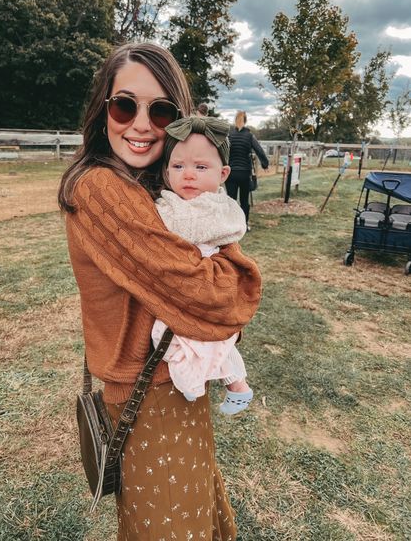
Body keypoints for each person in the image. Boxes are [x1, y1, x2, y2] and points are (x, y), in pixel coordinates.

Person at [58, 42, 261, 540]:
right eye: (125, 105)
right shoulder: (102, 189)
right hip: (149, 394)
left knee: (192, 513)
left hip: (175, 384)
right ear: (103, 110)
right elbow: (218, 297)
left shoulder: (155, 187)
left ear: (177, 120)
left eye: (160, 109)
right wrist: (236, 278)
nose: (141, 123)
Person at [152, 115, 254, 416]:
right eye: (178, 166)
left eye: (200, 167)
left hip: (205, 284)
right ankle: (234, 382)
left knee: (182, 336)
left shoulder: (220, 208)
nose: (188, 175)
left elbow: (185, 228)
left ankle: (217, 380)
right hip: (183, 284)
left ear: (222, 174)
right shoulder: (170, 200)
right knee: (171, 336)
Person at [226, 110, 269, 231]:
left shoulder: (229, 136)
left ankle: (231, 226)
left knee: (231, 200)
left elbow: (223, 152)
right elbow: (259, 150)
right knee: (244, 200)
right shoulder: (249, 136)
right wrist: (265, 164)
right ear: (245, 121)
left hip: (231, 173)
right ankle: (244, 225)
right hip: (245, 173)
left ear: (235, 120)